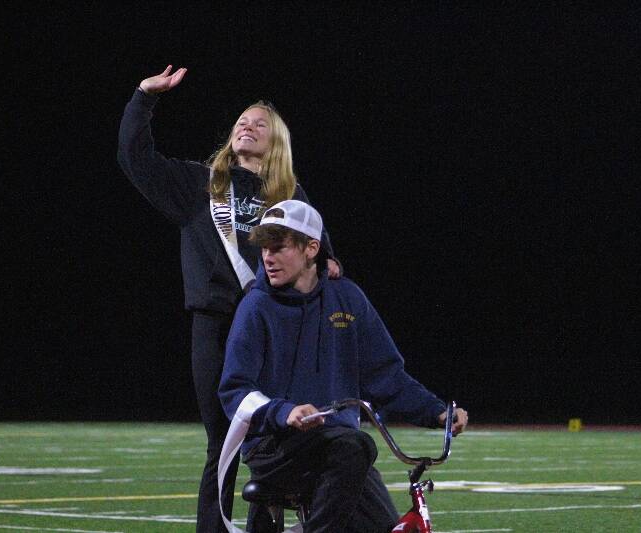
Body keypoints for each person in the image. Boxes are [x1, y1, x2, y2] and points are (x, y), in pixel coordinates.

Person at [117, 66, 341, 533]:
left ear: (275, 141)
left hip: (273, 328)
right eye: (242, 120)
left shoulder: (291, 195)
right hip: (216, 324)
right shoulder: (199, 185)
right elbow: (135, 158)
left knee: (272, 435)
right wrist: (143, 98)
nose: (247, 126)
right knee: (221, 441)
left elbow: (321, 257)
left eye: (260, 124)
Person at [218, 200, 468, 533]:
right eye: (264, 247)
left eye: (279, 247)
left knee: (383, 523)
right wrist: (283, 411)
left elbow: (386, 376)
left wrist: (438, 412)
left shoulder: (348, 298)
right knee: (357, 445)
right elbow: (235, 390)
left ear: (311, 248)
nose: (268, 257)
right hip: (275, 447)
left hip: (341, 451)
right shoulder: (256, 306)